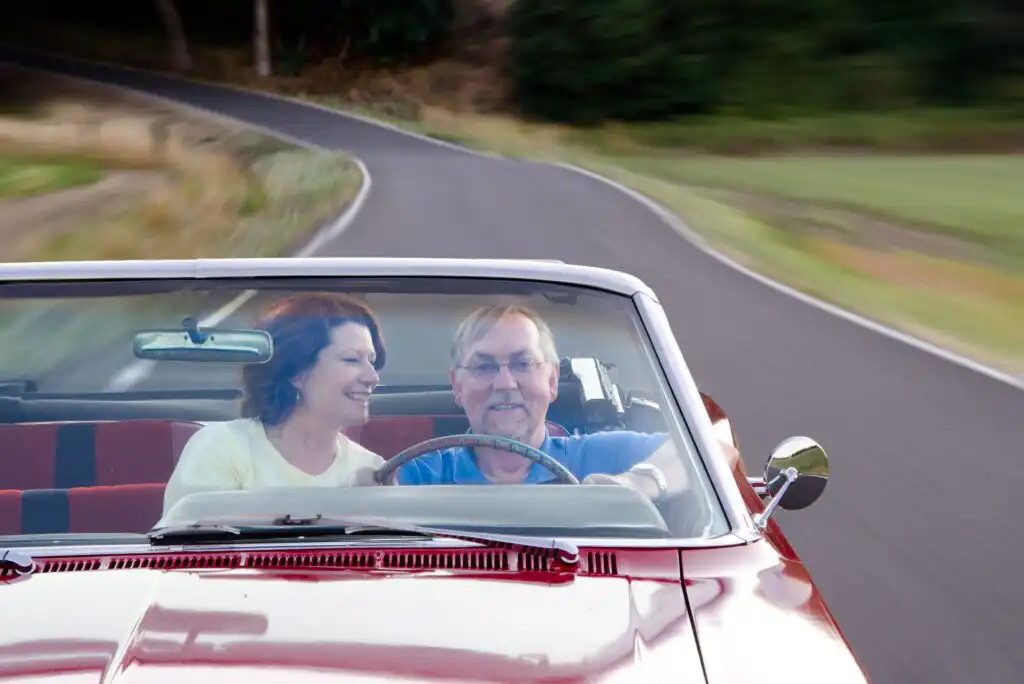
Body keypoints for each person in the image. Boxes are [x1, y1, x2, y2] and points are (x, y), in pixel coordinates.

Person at [392, 303, 690, 500]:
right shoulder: (417, 476)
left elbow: (713, 444)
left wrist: (639, 482)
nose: (505, 383)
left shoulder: (598, 457)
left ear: (552, 381)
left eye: (523, 363)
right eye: (484, 366)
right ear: (457, 385)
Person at [162, 292, 388, 515]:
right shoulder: (220, 449)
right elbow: (194, 548)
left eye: (372, 361)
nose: (372, 377)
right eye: (351, 359)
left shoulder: (373, 468)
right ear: (297, 373)